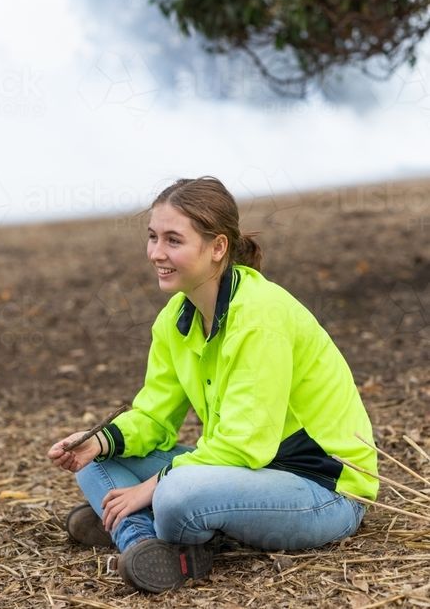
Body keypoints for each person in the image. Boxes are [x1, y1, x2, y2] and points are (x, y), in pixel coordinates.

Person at [48, 176, 378, 594]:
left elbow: (245, 444)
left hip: (323, 489)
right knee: (94, 458)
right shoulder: (174, 319)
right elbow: (153, 417)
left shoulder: (260, 315)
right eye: (152, 238)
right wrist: (99, 441)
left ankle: (140, 527)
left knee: (176, 494)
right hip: (249, 474)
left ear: (218, 247)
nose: (156, 254)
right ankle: (146, 543)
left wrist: (151, 487)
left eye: (173, 240)